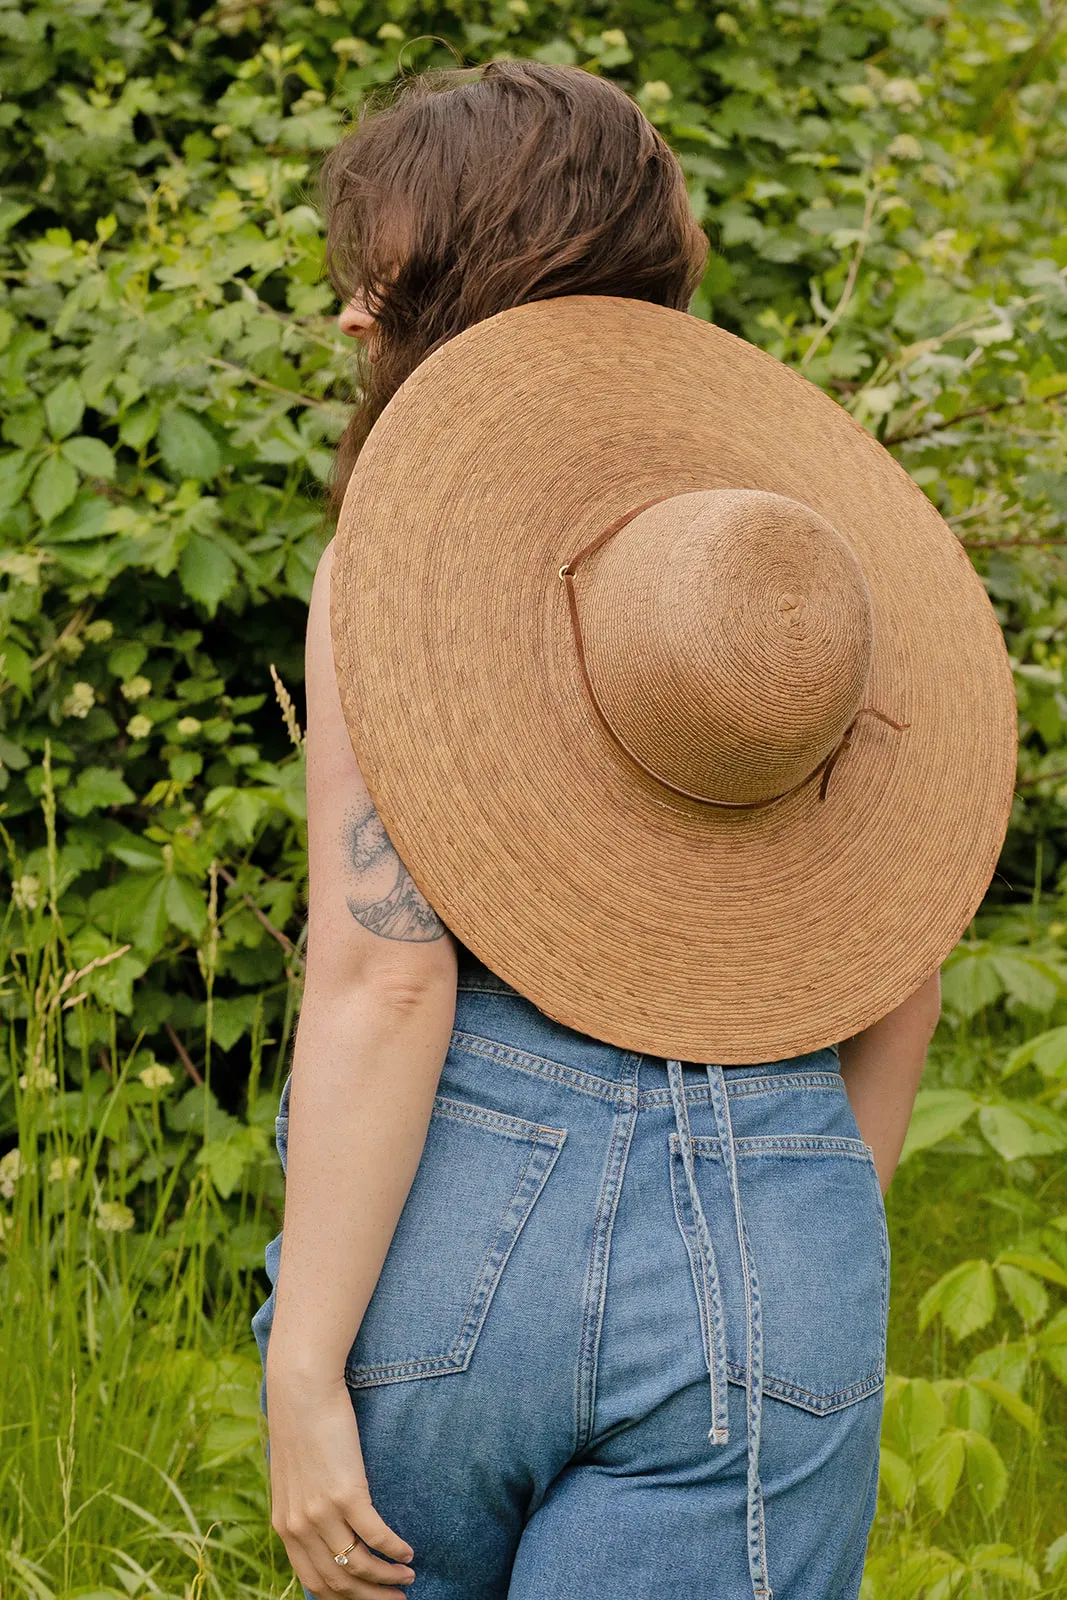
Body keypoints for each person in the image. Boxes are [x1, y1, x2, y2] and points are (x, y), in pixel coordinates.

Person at [251, 59, 1014, 1600]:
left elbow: (386, 979)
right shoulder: (812, 555)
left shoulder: (399, 570)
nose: (347, 313)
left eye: (381, 272)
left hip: (455, 1228)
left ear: (489, 261)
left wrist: (305, 1367)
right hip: (778, 1203)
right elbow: (900, 957)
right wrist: (784, 1246)